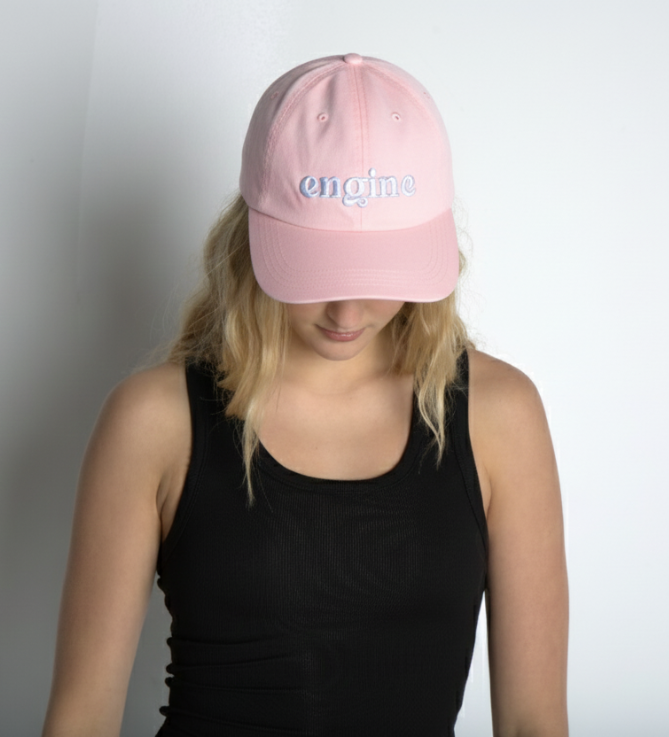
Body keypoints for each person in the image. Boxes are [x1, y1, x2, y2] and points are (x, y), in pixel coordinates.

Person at [41, 54, 569, 737]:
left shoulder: (500, 416)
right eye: (316, 270)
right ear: (250, 236)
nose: (346, 312)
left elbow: (532, 721)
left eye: (378, 271)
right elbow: (81, 719)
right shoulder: (154, 421)